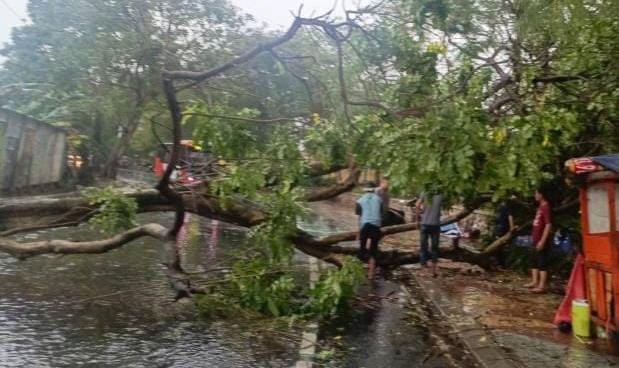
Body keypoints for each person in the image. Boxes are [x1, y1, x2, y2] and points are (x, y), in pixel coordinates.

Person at [525, 186, 552, 293]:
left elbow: (548, 225)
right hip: (535, 238)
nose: (535, 195)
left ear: (541, 194)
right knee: (534, 260)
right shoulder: (540, 206)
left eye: (536, 193)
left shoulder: (546, 206)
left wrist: (542, 241)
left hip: (541, 239)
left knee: (542, 262)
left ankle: (541, 286)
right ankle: (534, 281)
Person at [356, 182, 383, 279]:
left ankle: (360, 269)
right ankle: (371, 273)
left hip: (365, 226)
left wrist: (358, 232)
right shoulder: (379, 200)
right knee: (373, 250)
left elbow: (359, 218)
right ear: (373, 189)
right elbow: (381, 214)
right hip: (376, 226)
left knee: (362, 249)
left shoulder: (359, 200)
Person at [416, 191, 443, 277]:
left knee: (423, 247)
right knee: (434, 248)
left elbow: (417, 205)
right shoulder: (441, 193)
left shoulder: (425, 192)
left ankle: (423, 271)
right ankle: (433, 271)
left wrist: (417, 220)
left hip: (425, 224)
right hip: (435, 224)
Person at [494, 197, 516, 268]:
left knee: (499, 246)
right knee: (503, 246)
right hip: (503, 228)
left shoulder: (500, 206)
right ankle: (502, 264)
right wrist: (512, 228)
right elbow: (510, 217)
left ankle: (498, 262)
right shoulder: (509, 207)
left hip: (498, 228)